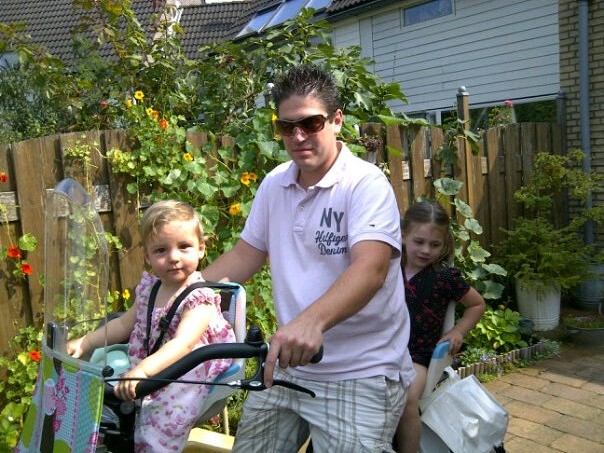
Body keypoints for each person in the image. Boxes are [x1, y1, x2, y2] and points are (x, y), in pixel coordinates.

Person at [203, 64, 416, 452]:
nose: (298, 136)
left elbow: (371, 268)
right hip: (289, 364)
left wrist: (310, 322)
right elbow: (245, 256)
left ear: (336, 120)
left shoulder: (365, 184)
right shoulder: (275, 183)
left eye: (310, 123)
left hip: (361, 370)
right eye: (286, 127)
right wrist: (184, 295)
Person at [67, 200, 235, 453]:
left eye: (184, 247)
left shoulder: (199, 298)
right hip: (150, 366)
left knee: (158, 431)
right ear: (147, 256)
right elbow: (123, 324)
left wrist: (144, 371)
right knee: (110, 409)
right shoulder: (150, 288)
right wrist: (86, 342)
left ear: (201, 248)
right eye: (161, 250)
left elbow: (183, 344)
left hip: (185, 375)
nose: (173, 257)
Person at [395, 200, 486, 453]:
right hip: (382, 351)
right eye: (419, 241)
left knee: (407, 401)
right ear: (403, 236)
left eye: (434, 245)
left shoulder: (444, 277)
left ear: (444, 244)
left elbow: (477, 304)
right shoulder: (389, 269)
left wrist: (457, 331)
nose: (426, 250)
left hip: (418, 358)